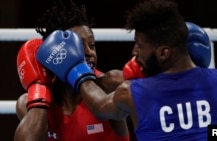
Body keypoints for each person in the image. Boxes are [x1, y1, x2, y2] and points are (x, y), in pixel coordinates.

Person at [37, 0, 217, 140]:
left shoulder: (134, 93)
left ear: (163, 53)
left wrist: (74, 68)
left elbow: (100, 106)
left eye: (140, 46)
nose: (134, 51)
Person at [14, 1, 130, 141]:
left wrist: (78, 73)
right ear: (55, 53)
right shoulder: (28, 103)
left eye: (92, 45)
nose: (89, 52)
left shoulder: (111, 84)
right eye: (79, 46)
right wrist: (39, 90)